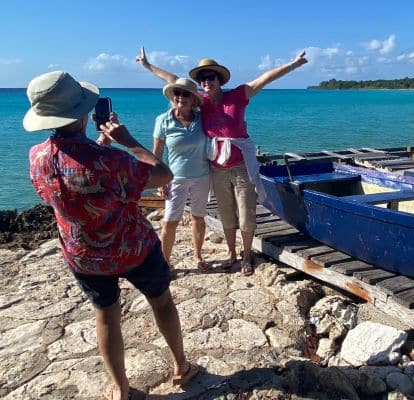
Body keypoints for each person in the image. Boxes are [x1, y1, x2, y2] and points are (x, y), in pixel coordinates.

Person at [24, 71, 199, 400]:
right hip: (134, 248)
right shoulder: (114, 160)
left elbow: (70, 179)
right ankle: (180, 366)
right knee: (161, 303)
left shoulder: (37, 158)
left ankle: (119, 388)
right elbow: (163, 173)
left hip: (83, 254)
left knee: (106, 316)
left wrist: (99, 147)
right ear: (84, 113)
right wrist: (128, 141)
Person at [137, 46, 308, 276]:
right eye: (202, 78)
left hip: (241, 166)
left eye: (211, 77)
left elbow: (264, 79)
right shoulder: (201, 101)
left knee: (246, 214)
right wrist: (148, 66)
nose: (206, 81)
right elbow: (174, 81)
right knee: (226, 214)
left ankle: (247, 255)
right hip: (216, 166)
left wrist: (293, 65)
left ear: (219, 79)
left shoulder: (238, 95)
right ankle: (231, 254)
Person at [153, 77, 211, 271]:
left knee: (198, 218)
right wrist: (160, 181)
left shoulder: (202, 118)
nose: (181, 97)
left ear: (194, 99)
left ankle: (197, 255)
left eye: (186, 94)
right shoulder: (163, 120)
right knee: (169, 222)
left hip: (202, 177)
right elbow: (157, 155)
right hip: (174, 179)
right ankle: (164, 263)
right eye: (177, 93)